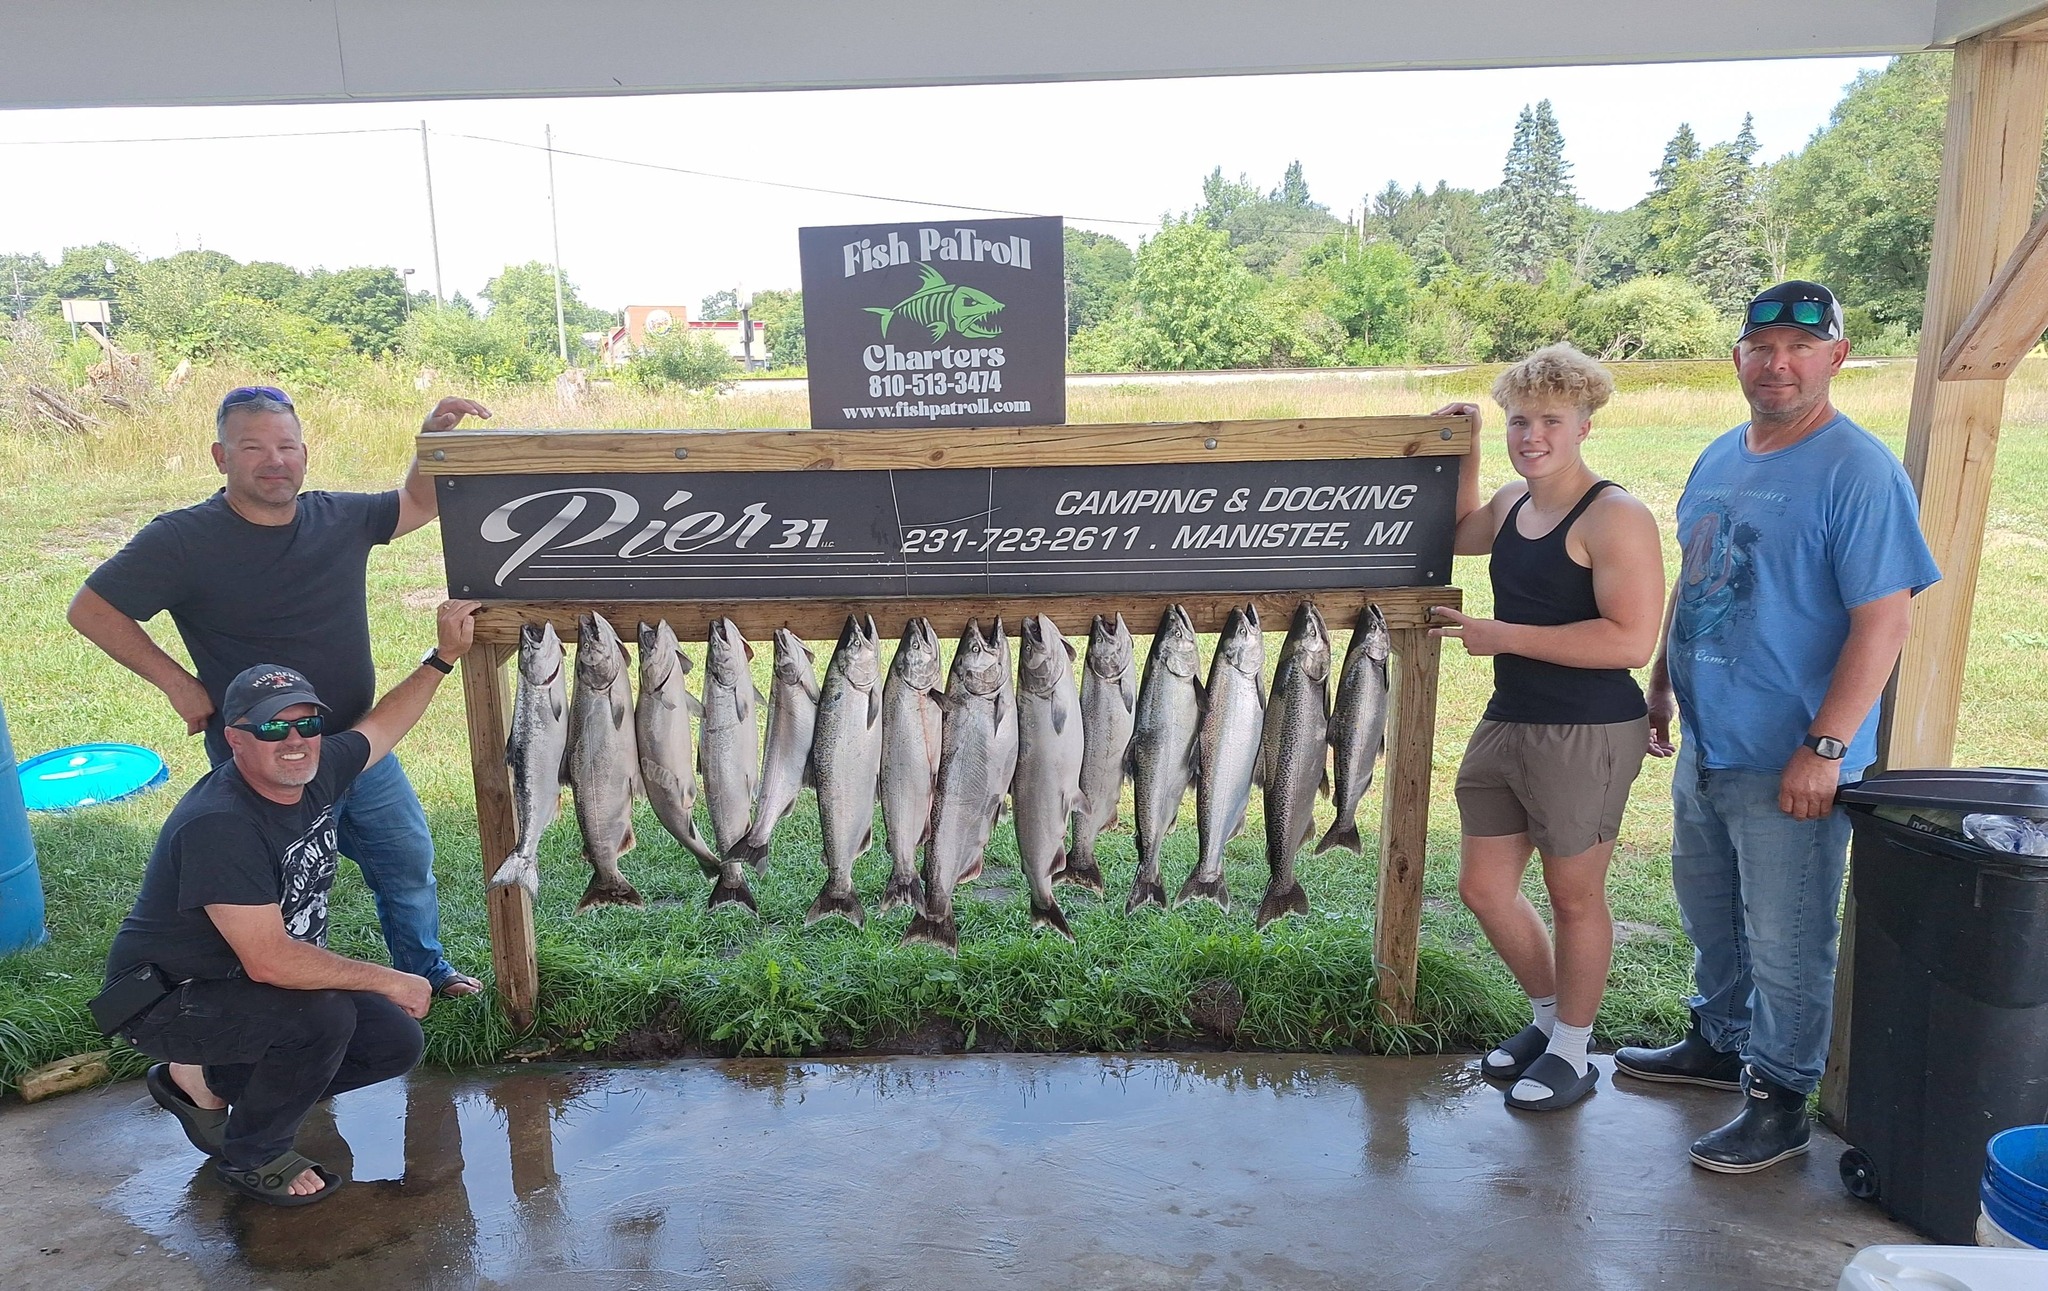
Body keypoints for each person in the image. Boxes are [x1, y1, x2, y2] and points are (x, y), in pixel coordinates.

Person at [1616, 281, 1940, 1173]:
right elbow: (1698, 574)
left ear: (1837, 356)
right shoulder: (1720, 454)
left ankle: (1781, 1099)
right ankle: (1718, 1041)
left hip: (1791, 756)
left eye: (1801, 346)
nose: (1779, 363)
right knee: (1711, 910)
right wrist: (1662, 683)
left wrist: (1825, 747)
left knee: (1788, 937)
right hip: (1709, 740)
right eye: (1762, 347)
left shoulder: (1858, 470)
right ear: (1739, 357)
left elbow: (1886, 622)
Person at [69, 385, 492, 996]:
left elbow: (418, 503)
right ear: (221, 457)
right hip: (266, 757)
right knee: (285, 889)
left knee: (405, 862)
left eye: (287, 446)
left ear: (304, 454)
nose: (275, 461)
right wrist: (176, 683)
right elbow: (90, 609)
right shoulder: (182, 539)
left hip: (359, 743)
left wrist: (432, 439)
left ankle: (425, 970)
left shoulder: (338, 517)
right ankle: (287, 998)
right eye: (253, 448)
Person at [105, 599, 480, 1206]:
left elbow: (382, 728)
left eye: (307, 725)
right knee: (320, 1019)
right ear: (234, 740)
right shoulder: (221, 825)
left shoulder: (314, 768)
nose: (295, 741)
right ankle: (253, 1155)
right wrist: (390, 978)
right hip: (166, 999)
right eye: (273, 728)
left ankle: (204, 1083)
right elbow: (271, 962)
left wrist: (442, 658)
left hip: (235, 987)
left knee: (392, 1041)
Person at [1429, 344, 1666, 1112]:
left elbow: (1631, 641)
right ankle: (1546, 1021)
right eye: (1519, 420)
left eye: (1551, 421)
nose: (1533, 435)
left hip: (1587, 728)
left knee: (1573, 896)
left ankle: (1574, 1049)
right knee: (1483, 887)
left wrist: (1502, 635)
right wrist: (1465, 445)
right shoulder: (1512, 503)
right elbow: (1457, 532)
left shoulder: (1615, 515)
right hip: (1511, 716)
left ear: (1584, 425)